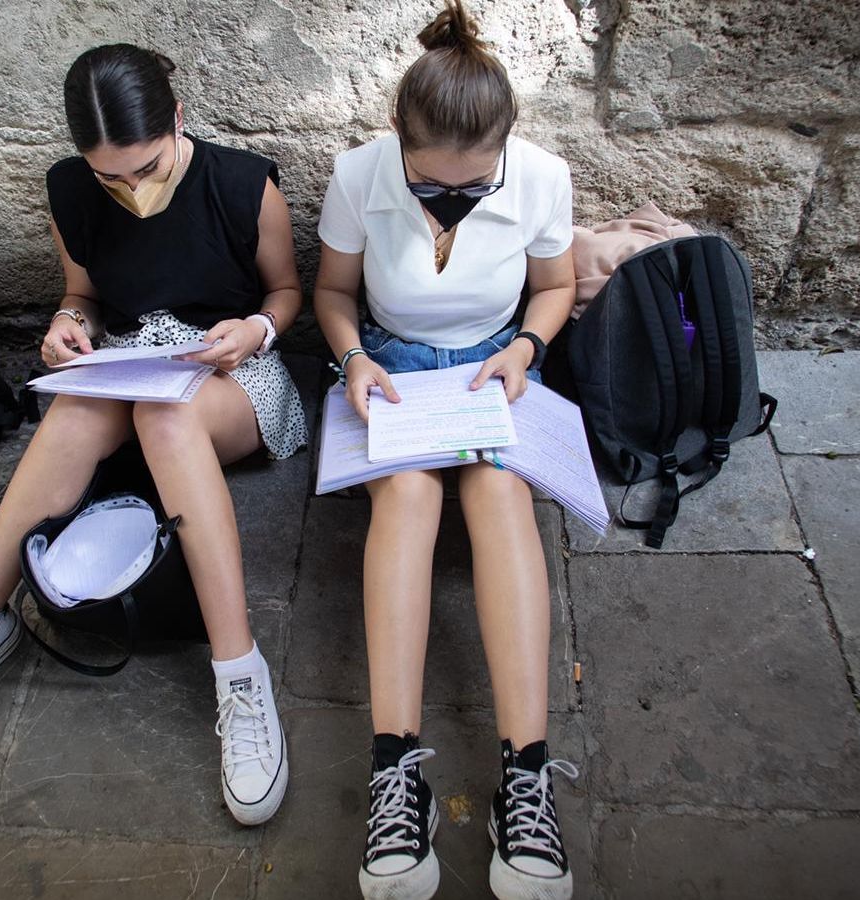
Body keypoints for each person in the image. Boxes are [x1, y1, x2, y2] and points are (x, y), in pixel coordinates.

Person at [0, 44, 305, 829]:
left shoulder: (241, 183)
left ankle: (239, 676)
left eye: (145, 168)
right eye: (109, 176)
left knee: (166, 415)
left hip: (231, 374)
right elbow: (81, 294)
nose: (131, 190)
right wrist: (66, 325)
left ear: (177, 122)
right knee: (80, 408)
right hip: (132, 361)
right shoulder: (70, 188)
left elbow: (288, 293)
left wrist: (254, 328)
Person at [312, 2, 580, 897]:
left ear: (507, 148)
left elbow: (556, 285)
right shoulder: (357, 175)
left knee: (501, 497)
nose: (452, 206)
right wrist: (350, 358)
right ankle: (395, 770)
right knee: (409, 497)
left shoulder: (542, 177)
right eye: (434, 191)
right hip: (388, 366)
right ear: (398, 141)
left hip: (491, 367)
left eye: (475, 189)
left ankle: (527, 778)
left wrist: (526, 350)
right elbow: (334, 292)